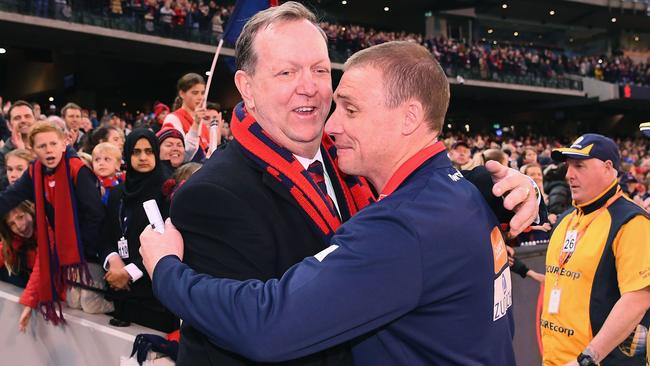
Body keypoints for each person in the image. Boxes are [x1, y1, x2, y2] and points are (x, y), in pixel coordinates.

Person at [141, 3, 538, 365]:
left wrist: (498, 188)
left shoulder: (374, 179)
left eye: (318, 69)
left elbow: (417, 217)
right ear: (246, 87)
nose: (311, 88)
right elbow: (226, 346)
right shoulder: (210, 196)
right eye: (286, 72)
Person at [540, 134, 650, 366]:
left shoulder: (631, 221)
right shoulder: (565, 218)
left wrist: (587, 358)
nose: (569, 174)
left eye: (580, 166)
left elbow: (639, 298)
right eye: (569, 166)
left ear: (608, 168)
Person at [0, 121, 107, 330]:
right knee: (75, 302)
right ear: (33, 150)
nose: (48, 149)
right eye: (42, 146)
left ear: (64, 143)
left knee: (88, 303)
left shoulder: (78, 169)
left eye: (52, 143)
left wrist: (77, 250)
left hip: (90, 250)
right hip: (65, 252)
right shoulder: (35, 172)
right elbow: (8, 198)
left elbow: (95, 216)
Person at [99, 129, 178, 332]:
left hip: (154, 297)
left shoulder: (167, 190)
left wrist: (129, 272)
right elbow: (106, 234)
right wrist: (114, 262)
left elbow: (169, 245)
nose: (143, 157)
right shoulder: (118, 193)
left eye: (149, 151)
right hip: (119, 291)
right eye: (136, 152)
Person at [161, 73, 210, 162]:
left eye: (202, 93)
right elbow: (182, 155)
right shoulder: (173, 119)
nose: (200, 97)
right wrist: (196, 124)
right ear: (182, 94)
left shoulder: (202, 123)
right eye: (195, 93)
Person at [0, 201, 36, 288]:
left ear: (31, 209)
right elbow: (3, 251)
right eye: (12, 224)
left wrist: (25, 301)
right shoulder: (15, 238)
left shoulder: (47, 232)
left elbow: (40, 273)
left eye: (21, 217)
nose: (19, 226)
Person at [0, 101, 35, 180]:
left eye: (27, 116)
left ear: (35, 120)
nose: (23, 120)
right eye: (17, 118)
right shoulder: (2, 155)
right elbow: (6, 185)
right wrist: (21, 153)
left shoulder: (45, 145)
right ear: (9, 125)